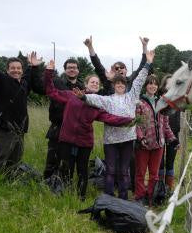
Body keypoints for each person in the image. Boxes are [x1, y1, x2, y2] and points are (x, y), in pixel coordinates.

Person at [44, 60, 132, 200]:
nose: (95, 84)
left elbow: (110, 118)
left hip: (84, 142)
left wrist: (130, 120)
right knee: (66, 168)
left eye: (97, 83)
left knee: (82, 170)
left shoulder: (97, 105)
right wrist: (48, 72)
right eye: (92, 82)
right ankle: (65, 196)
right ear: (85, 84)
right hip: (66, 139)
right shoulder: (71, 95)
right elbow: (51, 91)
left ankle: (81, 197)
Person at [75, 50, 155, 200]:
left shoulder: (132, 96)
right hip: (111, 141)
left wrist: (148, 63)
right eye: (117, 83)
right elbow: (95, 99)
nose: (119, 85)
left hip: (127, 140)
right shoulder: (108, 99)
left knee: (124, 171)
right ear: (114, 84)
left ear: (125, 85)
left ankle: (123, 199)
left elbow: (139, 80)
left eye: (122, 83)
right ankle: (109, 199)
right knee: (110, 170)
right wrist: (83, 96)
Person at [0, 31, 44, 187]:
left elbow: (29, 75)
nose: (16, 70)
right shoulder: (2, 81)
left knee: (13, 164)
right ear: (7, 70)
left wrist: (33, 66)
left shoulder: (24, 84)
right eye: (12, 68)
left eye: (19, 68)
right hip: (4, 131)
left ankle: (6, 188)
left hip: (19, 132)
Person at [135, 74, 178, 206]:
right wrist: (141, 137)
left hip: (159, 144)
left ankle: (151, 196)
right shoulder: (140, 103)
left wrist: (173, 139)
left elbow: (165, 124)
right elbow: (136, 123)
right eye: (150, 83)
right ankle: (140, 196)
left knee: (154, 174)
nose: (152, 86)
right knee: (141, 173)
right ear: (146, 85)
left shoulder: (162, 103)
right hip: (144, 144)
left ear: (157, 86)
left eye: (155, 84)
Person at [43, 58, 85, 180]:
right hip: (58, 127)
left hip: (75, 131)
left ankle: (64, 186)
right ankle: (48, 185)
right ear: (65, 70)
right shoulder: (57, 82)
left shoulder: (82, 87)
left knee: (68, 162)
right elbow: (46, 86)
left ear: (78, 70)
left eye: (74, 67)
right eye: (69, 67)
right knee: (52, 159)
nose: (72, 69)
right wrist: (48, 71)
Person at [83, 35, 150, 94]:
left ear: (126, 70)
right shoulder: (108, 81)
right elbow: (98, 66)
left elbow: (142, 67)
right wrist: (90, 47)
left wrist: (144, 46)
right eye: (116, 68)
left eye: (122, 67)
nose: (119, 69)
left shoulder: (131, 80)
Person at [157, 74, 181, 190]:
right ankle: (160, 188)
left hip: (174, 135)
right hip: (160, 134)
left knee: (170, 163)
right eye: (168, 82)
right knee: (160, 163)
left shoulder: (178, 99)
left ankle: (168, 189)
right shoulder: (158, 98)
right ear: (163, 84)